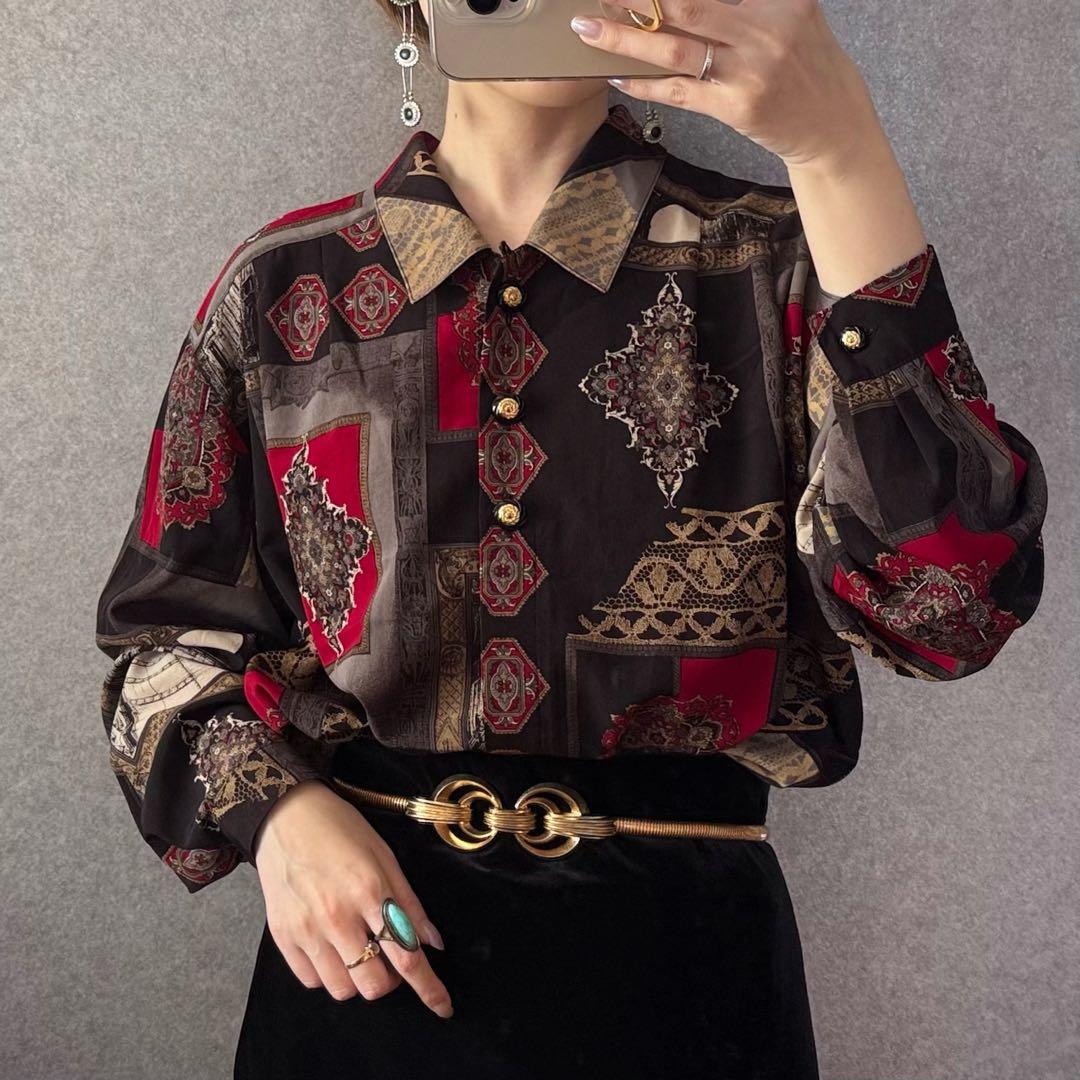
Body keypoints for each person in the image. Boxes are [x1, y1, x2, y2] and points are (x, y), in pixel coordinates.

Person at [92, 1, 1048, 1077]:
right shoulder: (283, 291)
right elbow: (160, 642)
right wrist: (280, 817)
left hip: (690, 992)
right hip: (365, 976)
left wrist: (841, 147)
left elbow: (950, 607)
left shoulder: (784, 258)